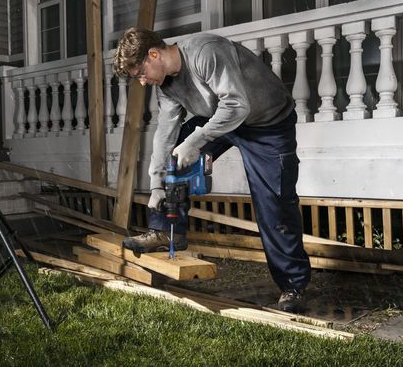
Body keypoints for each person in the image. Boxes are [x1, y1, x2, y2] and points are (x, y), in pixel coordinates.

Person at [112, 27, 311, 313]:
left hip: (268, 124)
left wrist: (197, 140)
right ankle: (167, 231)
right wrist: (157, 183)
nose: (142, 82)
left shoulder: (206, 52)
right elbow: (165, 133)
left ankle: (293, 284)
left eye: (141, 73)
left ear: (153, 54)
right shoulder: (167, 86)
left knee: (275, 204)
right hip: (221, 119)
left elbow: (236, 105)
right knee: (175, 154)